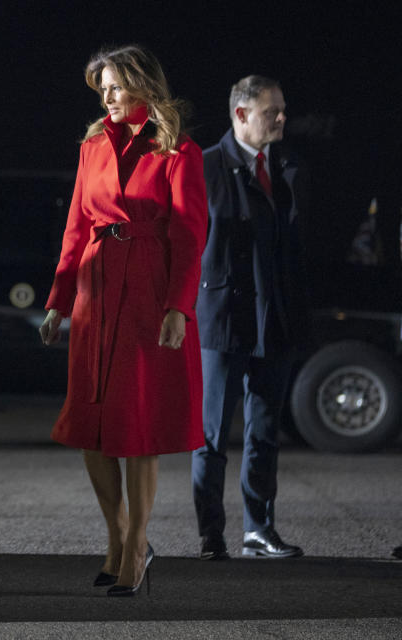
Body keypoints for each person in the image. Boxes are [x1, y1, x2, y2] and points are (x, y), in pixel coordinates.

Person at [39, 44, 206, 597]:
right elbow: (74, 228)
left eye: (115, 85)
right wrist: (59, 302)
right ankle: (115, 536)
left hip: (147, 298)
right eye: (102, 87)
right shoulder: (92, 148)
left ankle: (137, 545)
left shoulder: (180, 151)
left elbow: (188, 238)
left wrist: (179, 308)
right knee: (92, 423)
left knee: (136, 427)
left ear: (143, 86)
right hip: (95, 292)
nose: (107, 96)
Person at [191, 75, 308, 560]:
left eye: (282, 109)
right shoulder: (205, 168)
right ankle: (211, 536)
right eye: (271, 111)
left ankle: (258, 530)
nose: (282, 118)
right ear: (240, 115)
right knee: (212, 435)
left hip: (272, 319)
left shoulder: (285, 168)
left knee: (264, 432)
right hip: (222, 321)